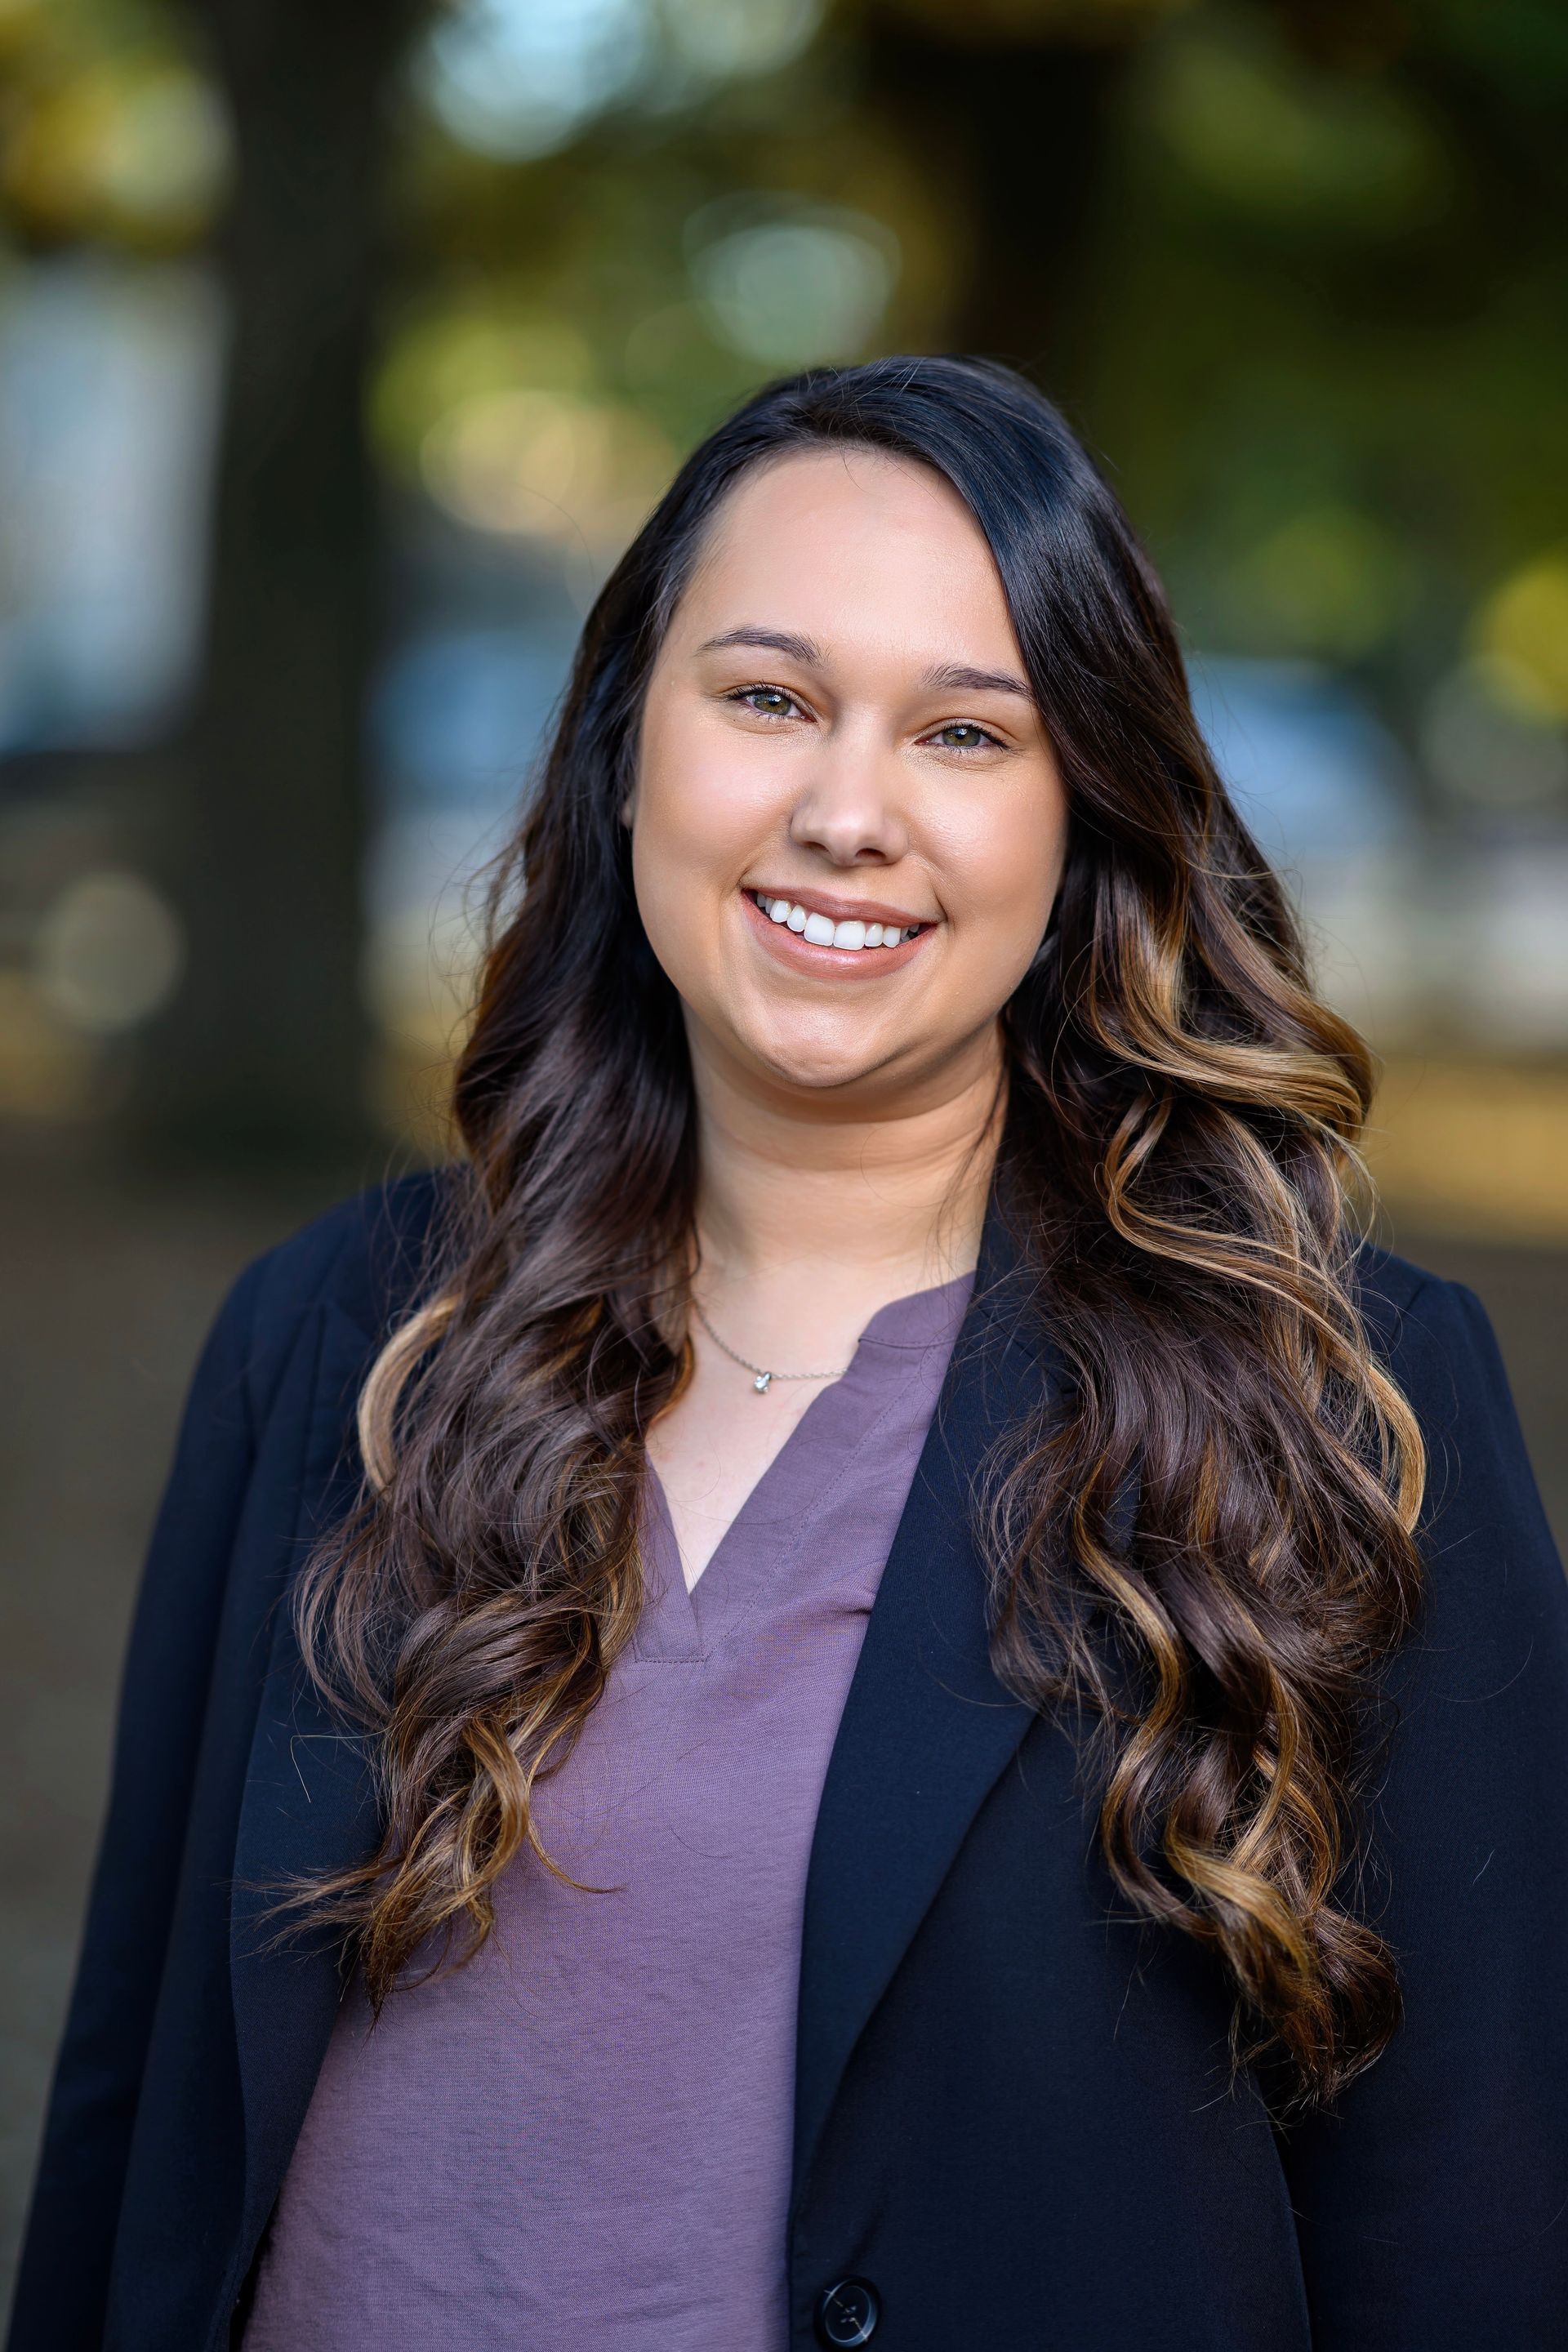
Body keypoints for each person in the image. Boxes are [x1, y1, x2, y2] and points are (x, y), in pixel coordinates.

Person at [9, 356, 1567, 2352]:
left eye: (965, 733)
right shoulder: (334, 1341)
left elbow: (1470, 2216)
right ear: (626, 746)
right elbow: (138, 2100)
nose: (847, 812)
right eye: (766, 699)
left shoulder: (1343, 1400)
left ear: (1083, 808)